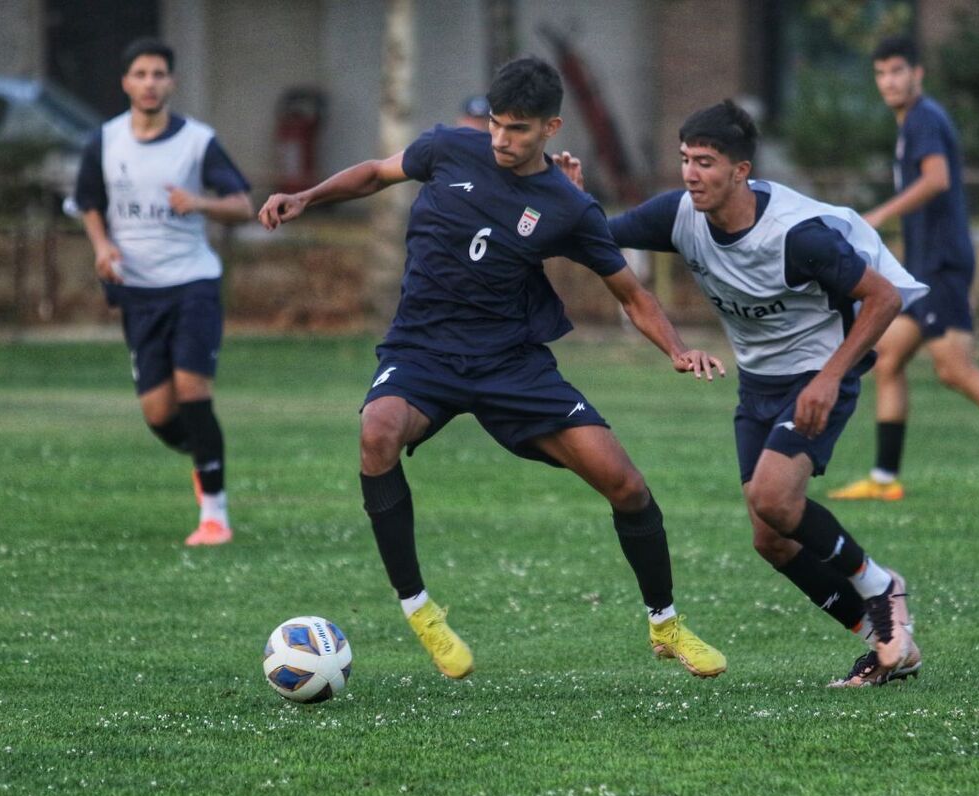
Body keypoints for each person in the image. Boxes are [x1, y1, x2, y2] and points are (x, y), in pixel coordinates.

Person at [258, 57, 727, 681]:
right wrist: (307, 196)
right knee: (377, 433)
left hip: (511, 364)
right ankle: (420, 610)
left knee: (628, 486)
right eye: (498, 126)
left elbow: (633, 296)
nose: (503, 140)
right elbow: (374, 173)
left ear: (551, 128)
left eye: (520, 130)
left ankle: (666, 625)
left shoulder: (567, 207)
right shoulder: (450, 149)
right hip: (422, 350)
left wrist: (675, 348)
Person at [556, 99, 927, 686]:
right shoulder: (679, 216)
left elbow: (881, 298)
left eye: (705, 161)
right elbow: (592, 238)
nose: (690, 174)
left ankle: (883, 588)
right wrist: (572, 203)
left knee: (776, 500)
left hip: (816, 376)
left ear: (740, 171)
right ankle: (886, 642)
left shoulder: (796, 236)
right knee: (771, 539)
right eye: (684, 159)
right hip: (757, 386)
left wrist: (831, 377)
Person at [829, 35, 979, 506]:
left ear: (918, 74)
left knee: (955, 369)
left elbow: (937, 180)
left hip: (940, 267)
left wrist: (878, 216)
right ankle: (884, 478)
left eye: (897, 71)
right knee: (887, 358)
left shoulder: (924, 118)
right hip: (923, 267)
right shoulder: (913, 123)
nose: (889, 81)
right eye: (880, 73)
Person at [75, 38, 254, 546]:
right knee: (158, 414)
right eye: (141, 74)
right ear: (126, 83)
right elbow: (88, 201)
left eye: (159, 74)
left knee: (193, 391)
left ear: (171, 82)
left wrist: (198, 202)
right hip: (137, 291)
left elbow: (241, 205)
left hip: (193, 282)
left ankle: (214, 517)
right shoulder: (105, 141)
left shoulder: (197, 141)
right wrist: (102, 245)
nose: (150, 83)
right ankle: (204, 459)